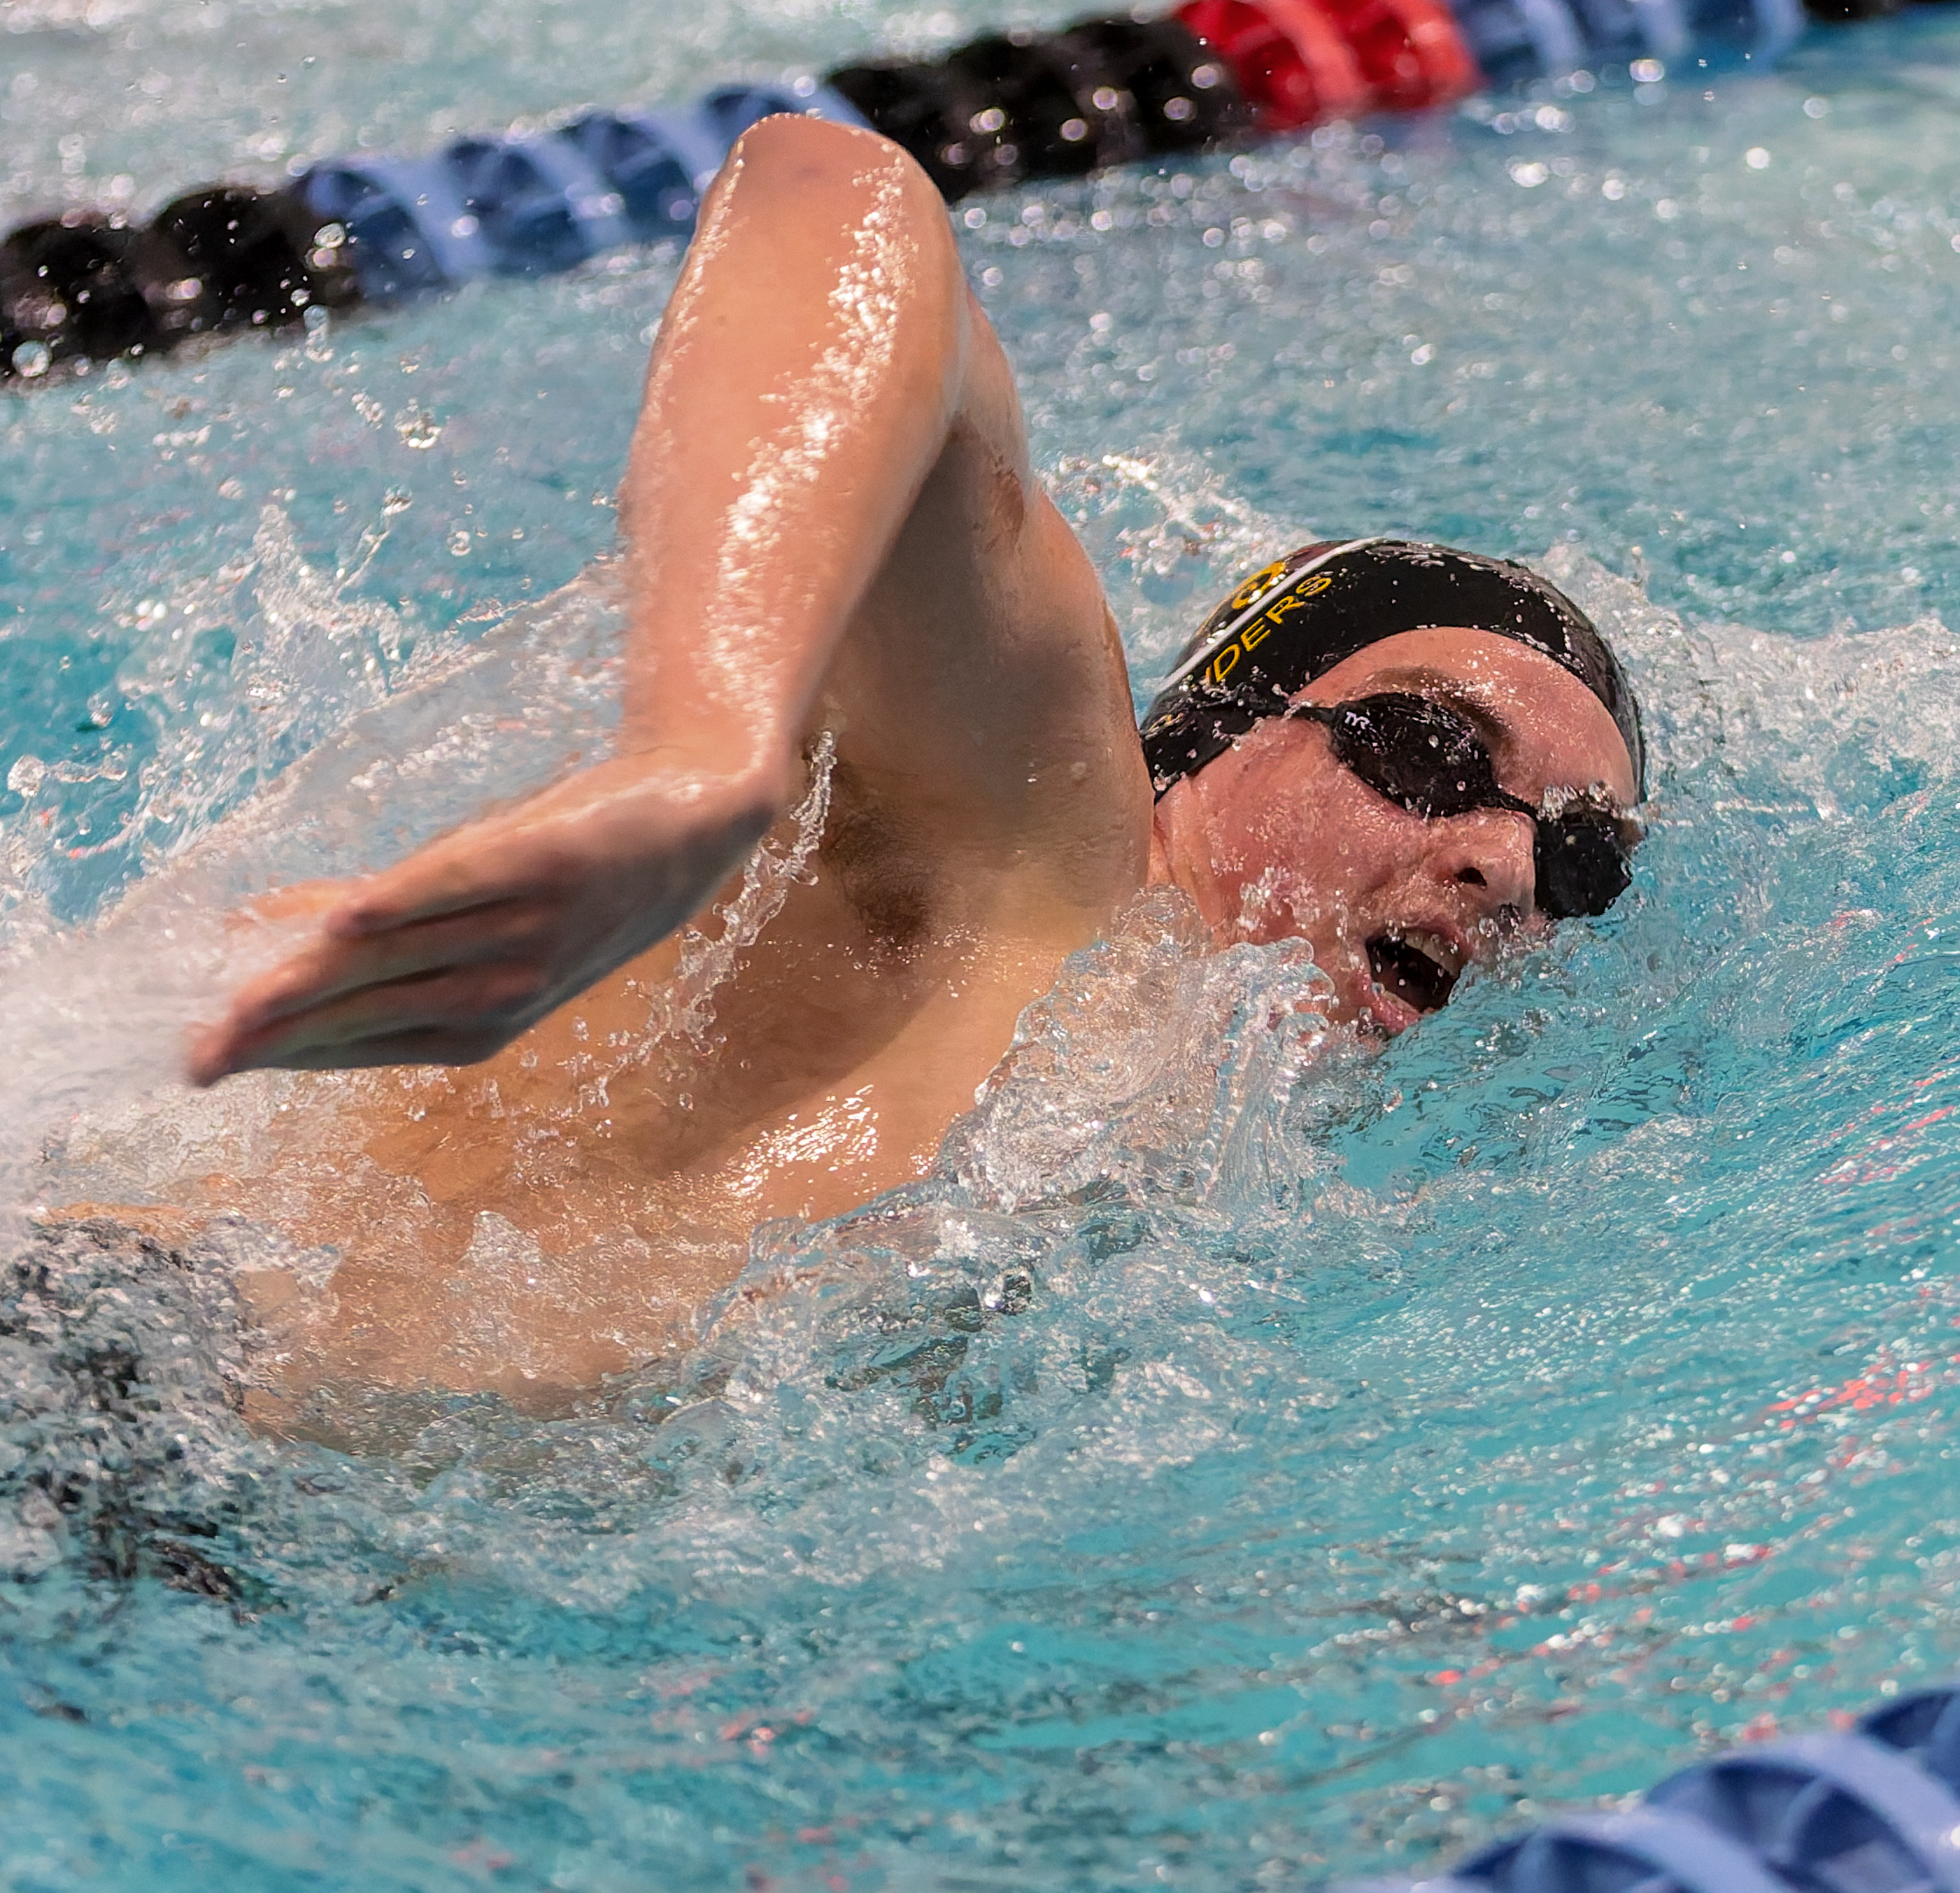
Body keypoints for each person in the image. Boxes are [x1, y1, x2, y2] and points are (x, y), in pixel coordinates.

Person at [159, 113, 1645, 1424]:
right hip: (129, 1317)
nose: (1503, 863)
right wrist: (703, 747)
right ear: (1221, 725)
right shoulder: (1039, 850)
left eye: (1576, 853)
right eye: (1433, 751)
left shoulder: (1203, 1154)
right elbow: (833, 191)